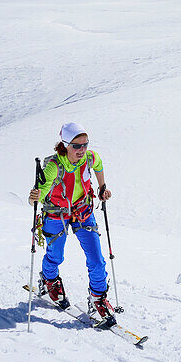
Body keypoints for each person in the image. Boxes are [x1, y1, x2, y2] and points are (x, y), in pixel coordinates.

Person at [28, 122, 115, 324]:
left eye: (85, 145)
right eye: (77, 146)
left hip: (83, 210)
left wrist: (102, 187)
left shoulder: (90, 157)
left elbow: (99, 164)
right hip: (56, 213)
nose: (82, 150)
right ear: (65, 145)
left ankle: (98, 299)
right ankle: (49, 280)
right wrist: (33, 197)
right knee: (56, 255)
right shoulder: (53, 167)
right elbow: (36, 197)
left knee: (96, 258)